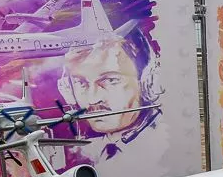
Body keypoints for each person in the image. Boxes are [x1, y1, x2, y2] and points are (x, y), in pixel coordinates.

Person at [58, 29, 162, 160]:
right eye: (81, 82)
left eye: (110, 80)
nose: (93, 99)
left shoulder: (165, 141)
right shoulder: (88, 151)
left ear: (147, 81)